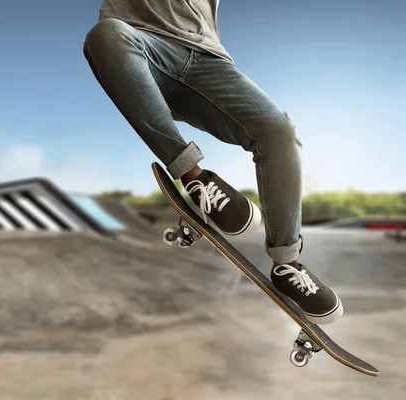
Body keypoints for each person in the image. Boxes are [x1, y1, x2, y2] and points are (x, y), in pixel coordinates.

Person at [83, 0, 343, 324]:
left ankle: (287, 262)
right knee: (106, 36)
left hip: (208, 61)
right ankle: (195, 179)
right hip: (141, 48)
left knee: (280, 132)